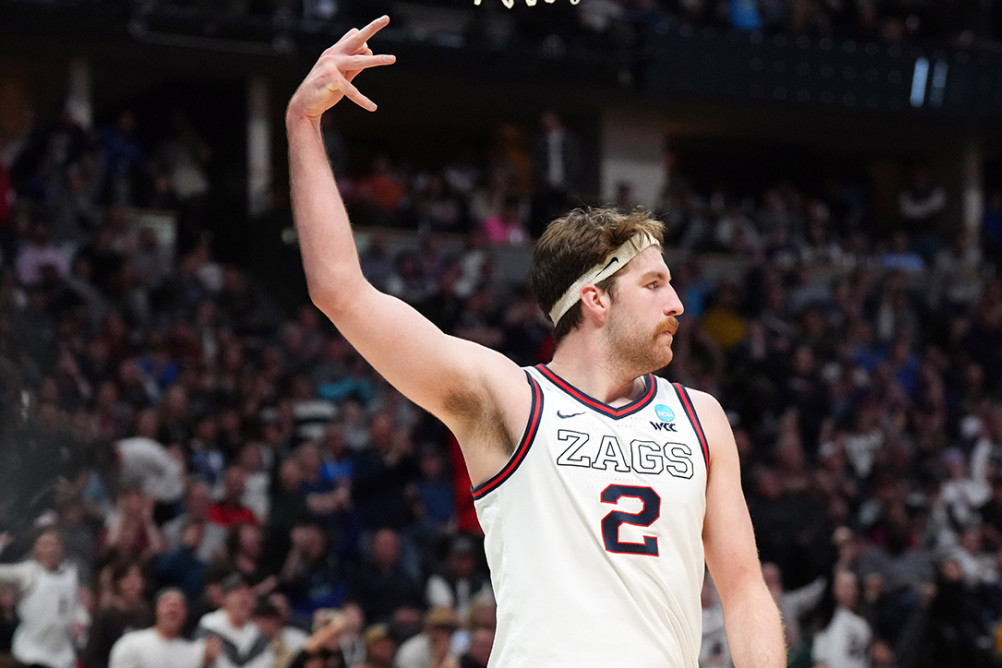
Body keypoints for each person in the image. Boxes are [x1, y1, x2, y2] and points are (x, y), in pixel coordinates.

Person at [285, 16, 784, 666]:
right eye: (655, 284)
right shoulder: (510, 400)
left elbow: (744, 591)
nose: (678, 304)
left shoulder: (700, 418)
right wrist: (302, 122)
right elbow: (340, 291)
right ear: (595, 298)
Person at [0, 527, 89, 668]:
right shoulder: (28, 572)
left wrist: (81, 621)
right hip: (31, 653)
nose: (52, 550)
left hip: (62, 654)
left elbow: (77, 606)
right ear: (36, 548)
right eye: (46, 544)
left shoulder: (71, 573)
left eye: (55, 544)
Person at [108, 588, 221, 668]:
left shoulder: (194, 653)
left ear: (186, 614)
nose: (173, 609)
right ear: (156, 610)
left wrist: (207, 662)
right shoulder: (131, 643)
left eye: (178, 606)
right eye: (167, 604)